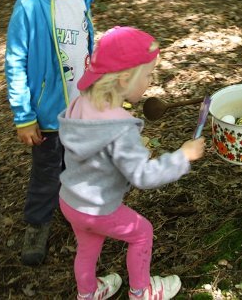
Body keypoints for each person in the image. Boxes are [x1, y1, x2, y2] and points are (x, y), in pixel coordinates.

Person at [58, 26, 205, 300]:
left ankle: (87, 293)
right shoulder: (120, 127)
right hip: (98, 208)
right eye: (148, 75)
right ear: (125, 78)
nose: (150, 81)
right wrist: (182, 156)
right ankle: (142, 291)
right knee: (142, 233)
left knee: (87, 247)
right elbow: (143, 176)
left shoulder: (80, 103)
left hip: (70, 200)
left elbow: (96, 151)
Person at [5, 0, 95, 266]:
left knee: (81, 164)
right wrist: (24, 116)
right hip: (49, 115)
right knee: (47, 174)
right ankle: (37, 224)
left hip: (81, 108)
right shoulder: (29, 6)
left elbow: (86, 45)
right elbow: (15, 62)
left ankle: (82, 215)